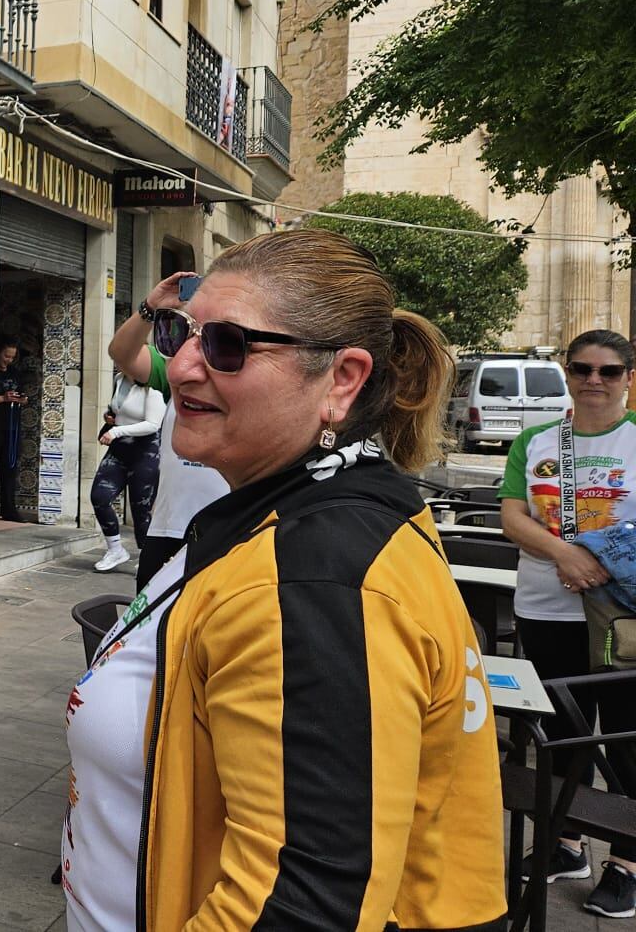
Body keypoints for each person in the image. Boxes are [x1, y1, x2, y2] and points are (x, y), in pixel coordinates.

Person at [63, 229, 505, 932]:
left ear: (343, 380)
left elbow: (303, 905)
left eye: (229, 345)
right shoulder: (281, 516)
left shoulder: (315, 576)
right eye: (182, 333)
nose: (180, 367)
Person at [501, 329, 636, 916]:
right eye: (582, 369)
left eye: (609, 371)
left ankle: (627, 862)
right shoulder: (534, 441)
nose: (593, 381)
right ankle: (565, 843)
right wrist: (566, 554)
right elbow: (512, 515)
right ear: (566, 371)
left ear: (629, 376)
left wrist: (602, 562)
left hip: (622, 614)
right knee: (556, 732)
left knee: (626, 735)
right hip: (544, 604)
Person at [106, 272, 233, 587]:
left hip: (229, 532)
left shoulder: (246, 382)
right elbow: (122, 354)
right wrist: (151, 308)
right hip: (167, 531)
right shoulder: (178, 373)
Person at [89, 373, 162, 572]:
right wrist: (110, 418)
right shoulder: (119, 378)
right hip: (120, 449)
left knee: (141, 509)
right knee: (99, 496)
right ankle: (115, 549)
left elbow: (153, 424)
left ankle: (148, 558)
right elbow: (117, 409)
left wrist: (116, 431)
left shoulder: (154, 385)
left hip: (146, 451)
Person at [0, 338, 29, 522]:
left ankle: (9, 510)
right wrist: (3, 398)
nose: (9, 360)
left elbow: (23, 397)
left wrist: (21, 399)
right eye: (6, 355)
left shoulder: (15, 373)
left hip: (12, 427)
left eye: (12, 357)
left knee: (10, 467)